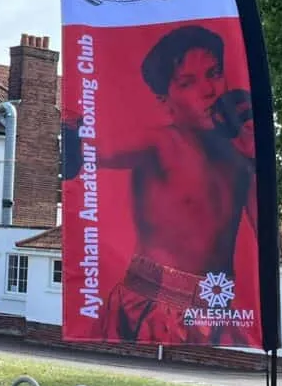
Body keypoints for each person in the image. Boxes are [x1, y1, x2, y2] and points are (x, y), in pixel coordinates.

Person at [63, 24, 256, 344]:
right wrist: (72, 130)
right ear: (165, 99)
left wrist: (254, 162)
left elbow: (267, 237)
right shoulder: (161, 141)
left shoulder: (239, 153)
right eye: (187, 82)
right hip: (153, 305)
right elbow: (96, 147)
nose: (208, 90)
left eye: (214, 73)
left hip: (219, 308)